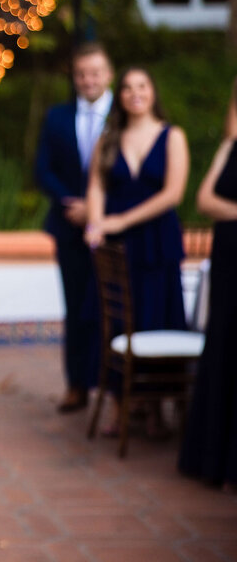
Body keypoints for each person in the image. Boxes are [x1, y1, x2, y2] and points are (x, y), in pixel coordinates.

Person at [85, 66, 189, 435]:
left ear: (153, 91)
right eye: (127, 88)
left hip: (158, 244)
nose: (134, 93)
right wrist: (96, 225)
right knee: (117, 321)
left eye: (142, 86)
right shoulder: (110, 136)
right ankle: (121, 408)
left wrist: (120, 221)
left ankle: (156, 408)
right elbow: (96, 185)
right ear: (121, 96)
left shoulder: (172, 136)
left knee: (158, 318)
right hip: (117, 251)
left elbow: (173, 194)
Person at [34, 43, 113, 414]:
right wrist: (74, 204)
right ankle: (77, 385)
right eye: (82, 74)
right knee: (76, 306)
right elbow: (43, 169)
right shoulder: (57, 117)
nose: (88, 80)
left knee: (112, 308)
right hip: (69, 227)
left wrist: (97, 208)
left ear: (108, 74)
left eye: (95, 73)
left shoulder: (125, 115)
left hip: (115, 230)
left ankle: (114, 389)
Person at [178, 78, 237, 489]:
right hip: (229, 261)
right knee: (222, 348)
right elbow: (204, 201)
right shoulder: (230, 146)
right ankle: (212, 459)